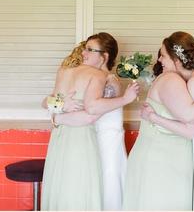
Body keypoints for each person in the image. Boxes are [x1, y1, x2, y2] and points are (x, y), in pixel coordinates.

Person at [122, 34, 194, 211]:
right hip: (163, 163)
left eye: (163, 55)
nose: (159, 60)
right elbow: (190, 117)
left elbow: (189, 116)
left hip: (177, 162)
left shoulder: (189, 80)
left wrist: (154, 118)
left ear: (177, 59)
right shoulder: (176, 79)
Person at [41, 32, 139, 211]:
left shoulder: (110, 81)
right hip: (88, 137)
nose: (83, 53)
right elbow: (86, 109)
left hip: (106, 141)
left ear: (104, 56)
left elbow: (92, 112)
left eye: (89, 50)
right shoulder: (91, 76)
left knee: (104, 186)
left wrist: (57, 117)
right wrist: (61, 107)